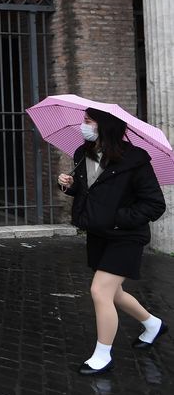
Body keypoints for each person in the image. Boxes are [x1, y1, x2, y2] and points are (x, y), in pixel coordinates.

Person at [57, 107, 167, 375]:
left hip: (126, 236)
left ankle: (103, 355)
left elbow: (155, 204)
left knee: (99, 291)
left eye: (88, 121)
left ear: (105, 126)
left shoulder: (135, 160)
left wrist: (118, 218)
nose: (83, 126)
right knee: (113, 293)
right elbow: (88, 192)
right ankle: (153, 324)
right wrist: (68, 185)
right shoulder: (83, 153)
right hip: (98, 234)